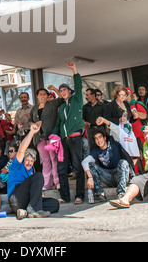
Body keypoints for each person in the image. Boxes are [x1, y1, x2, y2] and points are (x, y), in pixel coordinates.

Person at [109, 124, 148, 208]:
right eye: (145, 134)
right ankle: (125, 200)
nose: (147, 136)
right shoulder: (146, 145)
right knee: (136, 179)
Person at [8, 122, 58, 219]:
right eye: (27, 160)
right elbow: (22, 149)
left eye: (31, 161)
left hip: (26, 202)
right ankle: (33, 210)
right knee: (39, 176)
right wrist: (31, 132)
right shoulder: (17, 165)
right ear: (23, 160)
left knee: (54, 204)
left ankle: (26, 211)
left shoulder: (31, 172)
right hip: (16, 199)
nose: (29, 163)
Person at [52, 62, 85, 205]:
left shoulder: (76, 100)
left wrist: (74, 70)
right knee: (62, 168)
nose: (63, 92)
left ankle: (79, 196)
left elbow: (78, 85)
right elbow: (58, 124)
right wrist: (53, 136)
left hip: (76, 139)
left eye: (64, 89)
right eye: (61, 91)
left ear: (70, 91)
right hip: (64, 141)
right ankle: (64, 196)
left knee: (78, 167)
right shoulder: (61, 107)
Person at [82, 123, 135, 203]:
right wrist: (90, 177)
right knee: (91, 165)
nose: (98, 140)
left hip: (120, 175)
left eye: (100, 137)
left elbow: (116, 129)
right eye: (96, 139)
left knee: (123, 162)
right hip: (108, 177)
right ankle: (100, 194)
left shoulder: (113, 143)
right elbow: (84, 162)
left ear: (105, 138)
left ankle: (121, 194)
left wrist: (104, 121)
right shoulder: (96, 151)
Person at [29, 87, 64, 190]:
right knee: (45, 160)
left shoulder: (51, 104)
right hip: (39, 137)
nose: (43, 96)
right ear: (37, 96)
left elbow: (61, 98)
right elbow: (30, 120)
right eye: (41, 94)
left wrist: (54, 89)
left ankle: (57, 181)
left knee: (54, 158)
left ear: (47, 96)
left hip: (51, 136)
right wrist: (33, 124)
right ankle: (47, 183)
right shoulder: (34, 108)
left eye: (44, 94)